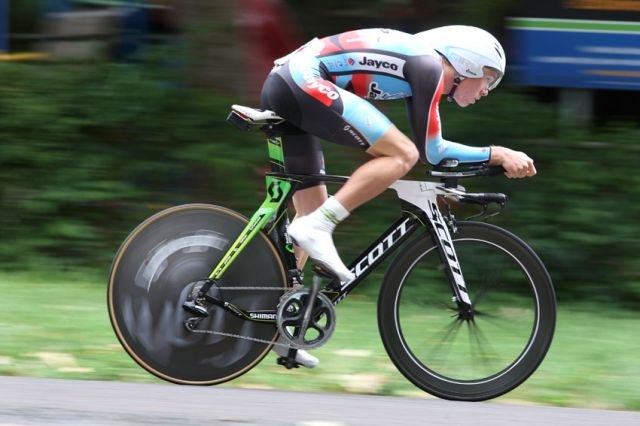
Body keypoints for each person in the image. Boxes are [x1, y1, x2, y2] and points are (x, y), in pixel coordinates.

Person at [260, 25, 537, 368]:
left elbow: (435, 152)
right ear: (467, 63)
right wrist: (498, 154)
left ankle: (279, 333)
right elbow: (427, 152)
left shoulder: (419, 73)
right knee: (401, 155)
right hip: (302, 80)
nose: (487, 90)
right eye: (489, 78)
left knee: (310, 211)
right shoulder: (431, 67)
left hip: (288, 81)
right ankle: (323, 225)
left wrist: (490, 157)